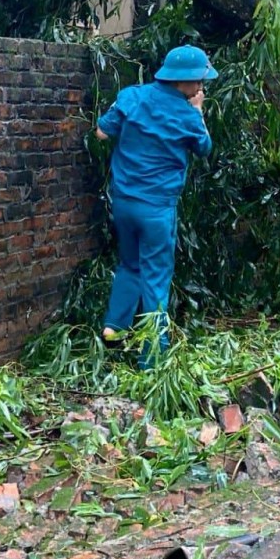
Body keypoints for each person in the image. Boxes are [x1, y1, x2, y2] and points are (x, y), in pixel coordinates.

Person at [94, 44, 216, 364]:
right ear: (182, 81)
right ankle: (152, 358)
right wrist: (198, 111)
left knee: (130, 264)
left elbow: (101, 133)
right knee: (156, 278)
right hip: (157, 209)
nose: (201, 88)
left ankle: (115, 328)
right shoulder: (187, 115)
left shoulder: (132, 96)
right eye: (198, 82)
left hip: (123, 201)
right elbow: (203, 148)